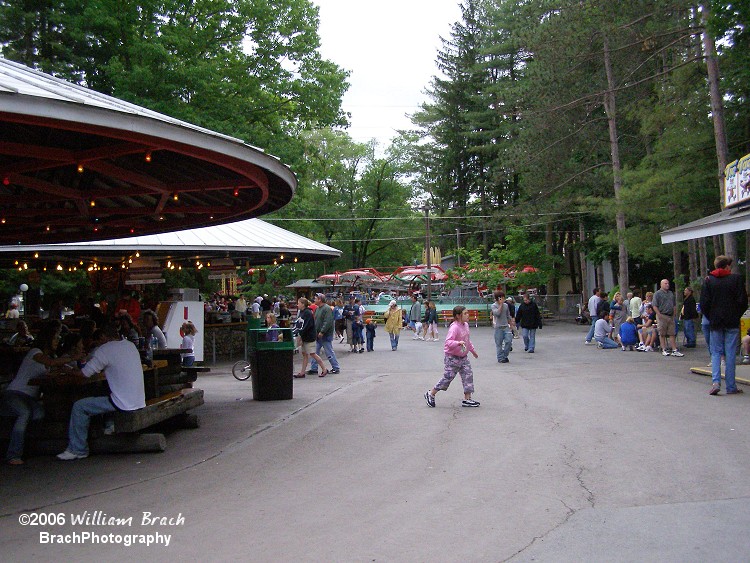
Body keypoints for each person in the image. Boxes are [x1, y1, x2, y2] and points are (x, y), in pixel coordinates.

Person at [57, 322, 146, 460]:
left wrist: (66, 370)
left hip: (122, 402)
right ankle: (105, 426)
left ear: (104, 336)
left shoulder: (104, 350)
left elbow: (85, 373)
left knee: (79, 406)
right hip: (138, 399)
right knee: (99, 393)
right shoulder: (130, 345)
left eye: (99, 339)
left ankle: (78, 449)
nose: (97, 342)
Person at [2, 322, 81, 465]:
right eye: (56, 338)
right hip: (15, 393)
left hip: (30, 398)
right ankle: (13, 454)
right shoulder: (35, 352)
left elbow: (59, 367)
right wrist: (73, 358)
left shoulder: (52, 357)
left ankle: (26, 445)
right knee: (24, 413)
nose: (58, 341)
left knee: (39, 414)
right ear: (47, 339)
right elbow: (51, 363)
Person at [701, 255, 748, 395]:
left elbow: (704, 303)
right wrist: (736, 314)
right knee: (730, 352)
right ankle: (731, 385)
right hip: (731, 321)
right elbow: (743, 301)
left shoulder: (709, 280)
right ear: (727, 266)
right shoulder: (736, 280)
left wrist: (711, 316)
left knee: (716, 352)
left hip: (715, 321)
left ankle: (716, 382)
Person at [424, 306, 480, 408]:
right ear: (458, 316)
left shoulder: (466, 325)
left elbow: (467, 340)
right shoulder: (454, 327)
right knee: (448, 378)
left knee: (468, 375)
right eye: (465, 313)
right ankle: (431, 393)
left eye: (468, 313)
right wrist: (458, 343)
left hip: (463, 357)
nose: (468, 315)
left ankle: (467, 399)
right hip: (452, 357)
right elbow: (448, 342)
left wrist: (472, 351)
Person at [294, 297, 330, 378]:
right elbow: (299, 324)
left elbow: (306, 326)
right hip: (305, 336)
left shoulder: (307, 313)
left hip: (309, 337)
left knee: (312, 353)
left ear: (303, 304)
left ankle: (324, 369)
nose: (297, 305)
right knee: (304, 354)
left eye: (299, 303)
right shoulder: (302, 312)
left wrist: (300, 334)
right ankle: (302, 372)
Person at [307, 294, 341, 374]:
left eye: (315, 298)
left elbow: (328, 321)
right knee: (315, 352)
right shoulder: (318, 308)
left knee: (328, 351)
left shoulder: (326, 308)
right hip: (318, 334)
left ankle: (336, 367)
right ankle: (314, 368)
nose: (314, 300)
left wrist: (322, 331)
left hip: (324, 334)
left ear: (320, 300)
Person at [652, 279, 683, 357]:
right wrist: (659, 314)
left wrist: (674, 314)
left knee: (672, 333)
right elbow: (654, 305)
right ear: (661, 284)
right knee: (662, 333)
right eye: (665, 283)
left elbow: (674, 304)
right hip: (662, 315)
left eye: (668, 283)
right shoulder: (657, 294)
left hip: (670, 315)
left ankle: (674, 349)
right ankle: (664, 349)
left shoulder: (671, 293)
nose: (667, 285)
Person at [491, 290, 515, 363]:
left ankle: (504, 355)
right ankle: (500, 358)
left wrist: (511, 324)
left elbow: (508, 315)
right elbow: (497, 314)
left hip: (505, 326)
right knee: (499, 344)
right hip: (498, 327)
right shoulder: (493, 306)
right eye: (501, 298)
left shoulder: (506, 305)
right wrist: (500, 305)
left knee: (508, 341)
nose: (503, 299)